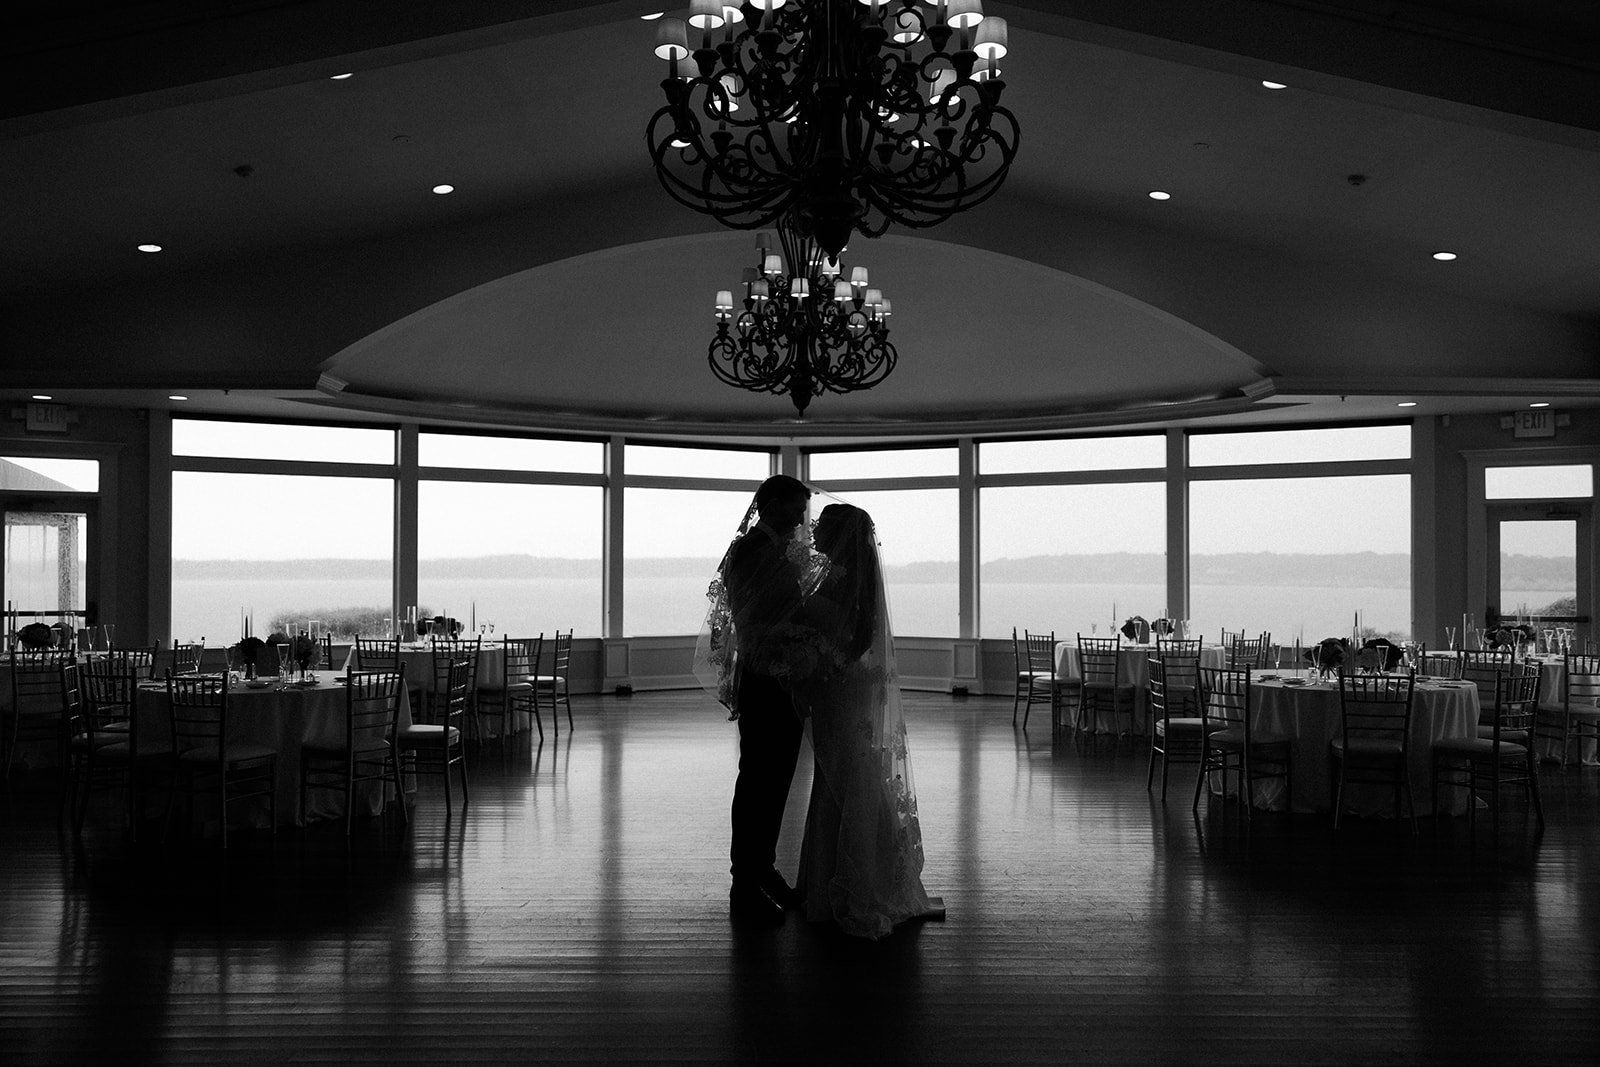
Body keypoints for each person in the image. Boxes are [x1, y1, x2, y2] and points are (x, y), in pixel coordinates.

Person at [793, 503, 943, 940]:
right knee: (845, 773)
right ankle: (847, 877)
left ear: (841, 536)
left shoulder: (842, 581)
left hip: (842, 689)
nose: (815, 534)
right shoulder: (849, 577)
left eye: (823, 528)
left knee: (848, 773)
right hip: (846, 688)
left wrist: (817, 660)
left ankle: (853, 883)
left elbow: (850, 639)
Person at [701, 474, 812, 926]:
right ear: (769, 506)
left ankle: (761, 870)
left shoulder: (772, 550)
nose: (802, 519)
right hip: (765, 676)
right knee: (758, 779)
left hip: (779, 674)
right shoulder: (751, 551)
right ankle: (745, 879)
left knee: (776, 776)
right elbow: (757, 614)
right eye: (795, 509)